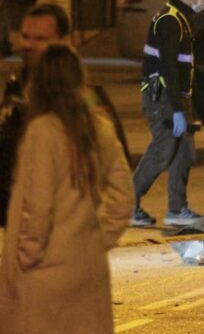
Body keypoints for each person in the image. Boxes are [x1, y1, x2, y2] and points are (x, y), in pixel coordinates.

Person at [0, 44, 133, 334]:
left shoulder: (43, 131)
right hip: (88, 267)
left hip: (46, 272)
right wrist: (98, 241)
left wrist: (25, 258)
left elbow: (37, 206)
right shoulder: (101, 128)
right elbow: (123, 199)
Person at [131, 0, 204, 227]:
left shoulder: (182, 19)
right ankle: (127, 205)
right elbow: (168, 68)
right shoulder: (169, 20)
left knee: (184, 153)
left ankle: (177, 209)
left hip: (176, 98)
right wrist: (176, 108)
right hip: (162, 97)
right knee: (162, 151)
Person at [1, 4, 72, 227]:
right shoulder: (16, 88)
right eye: (25, 36)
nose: (28, 45)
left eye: (40, 38)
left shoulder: (80, 96)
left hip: (60, 229)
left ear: (64, 42)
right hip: (19, 225)